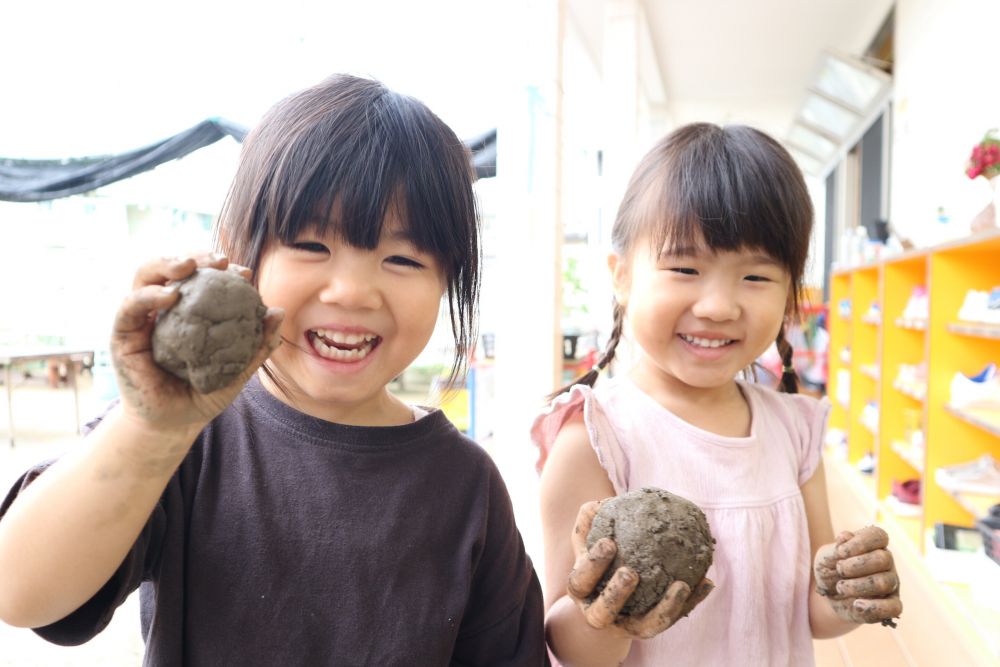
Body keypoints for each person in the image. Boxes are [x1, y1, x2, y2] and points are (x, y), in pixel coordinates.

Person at [0, 74, 547, 666]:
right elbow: (22, 593)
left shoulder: (467, 485)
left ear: (448, 279)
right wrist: (149, 430)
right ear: (239, 251)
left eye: (402, 258)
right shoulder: (181, 437)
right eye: (312, 246)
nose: (353, 292)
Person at [531, 123, 902, 666]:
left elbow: (810, 613)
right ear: (622, 275)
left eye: (755, 277)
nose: (719, 306)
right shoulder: (594, 436)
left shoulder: (794, 431)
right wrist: (601, 617)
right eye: (685, 268)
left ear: (791, 294)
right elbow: (562, 641)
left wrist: (846, 590)